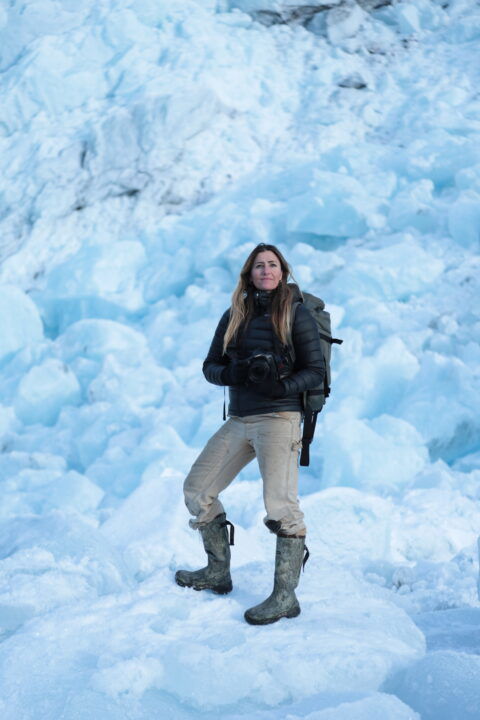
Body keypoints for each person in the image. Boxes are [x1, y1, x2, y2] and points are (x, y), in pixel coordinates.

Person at [175, 243, 325, 624]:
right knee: (197, 489)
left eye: (272, 264)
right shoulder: (234, 315)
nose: (266, 271)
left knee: (282, 508)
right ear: (248, 274)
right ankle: (217, 571)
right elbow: (210, 366)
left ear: (283, 272)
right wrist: (232, 374)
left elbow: (315, 372)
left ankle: (284, 597)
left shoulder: (297, 314)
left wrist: (284, 387)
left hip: (280, 418)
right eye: (259, 265)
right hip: (240, 419)